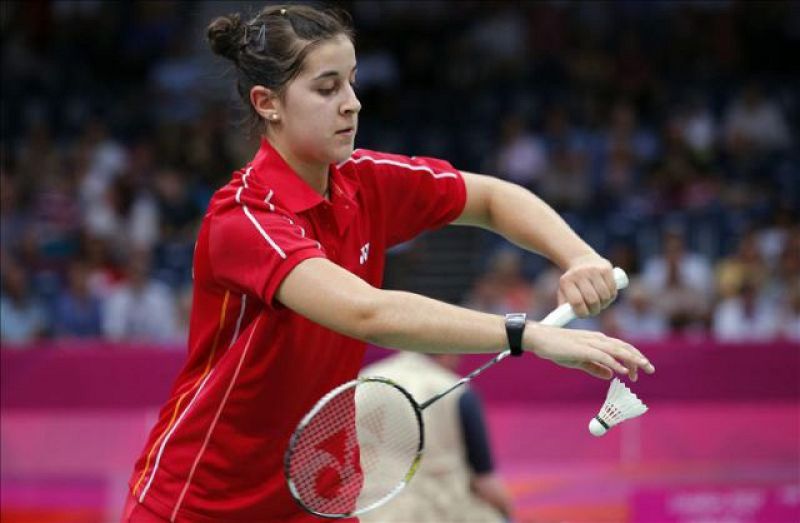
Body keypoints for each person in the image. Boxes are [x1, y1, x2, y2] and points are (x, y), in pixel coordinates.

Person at [123, 5, 655, 522]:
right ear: (268, 103)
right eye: (327, 88)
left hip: (317, 496)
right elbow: (367, 313)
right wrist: (528, 335)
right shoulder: (244, 217)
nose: (352, 104)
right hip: (201, 501)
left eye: (352, 83)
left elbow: (492, 199)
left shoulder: (364, 182)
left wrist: (578, 256)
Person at [359, 352, 512, 523]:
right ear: (449, 350)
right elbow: (485, 482)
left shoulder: (364, 379)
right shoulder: (455, 390)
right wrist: (507, 513)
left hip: (366, 512)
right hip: (438, 513)